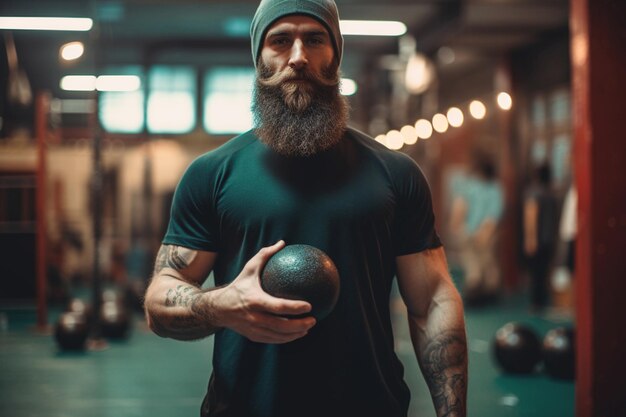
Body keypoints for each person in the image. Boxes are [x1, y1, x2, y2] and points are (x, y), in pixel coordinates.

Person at [144, 1, 467, 416]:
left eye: (314, 39)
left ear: (335, 55)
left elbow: (433, 300)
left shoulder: (395, 174)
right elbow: (160, 296)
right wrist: (221, 305)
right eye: (280, 40)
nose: (298, 57)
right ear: (259, 58)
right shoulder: (211, 174)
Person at [449, 150, 504, 305]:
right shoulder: (495, 188)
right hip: (486, 232)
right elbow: (494, 213)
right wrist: (485, 232)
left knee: (472, 264)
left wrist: (456, 225)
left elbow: (460, 207)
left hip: (470, 230)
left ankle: (475, 295)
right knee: (488, 264)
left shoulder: (470, 185)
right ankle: (488, 296)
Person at [523, 163, 559, 311]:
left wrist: (530, 238)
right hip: (549, 238)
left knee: (536, 272)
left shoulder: (534, 192)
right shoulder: (550, 193)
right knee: (544, 271)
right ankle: (542, 301)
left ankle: (537, 303)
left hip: (538, 238)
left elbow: (531, 215)